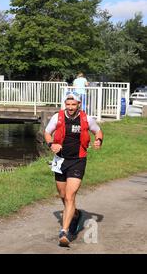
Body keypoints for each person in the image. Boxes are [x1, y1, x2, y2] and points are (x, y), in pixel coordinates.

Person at [44, 91, 103, 247]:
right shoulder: (58, 117)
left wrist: (98, 140)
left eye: (73, 104)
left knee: (70, 196)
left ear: (79, 104)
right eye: (68, 104)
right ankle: (76, 214)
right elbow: (47, 133)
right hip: (60, 161)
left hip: (78, 160)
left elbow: (97, 130)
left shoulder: (86, 118)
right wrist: (51, 144)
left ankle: (64, 232)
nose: (70, 107)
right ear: (65, 104)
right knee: (63, 195)